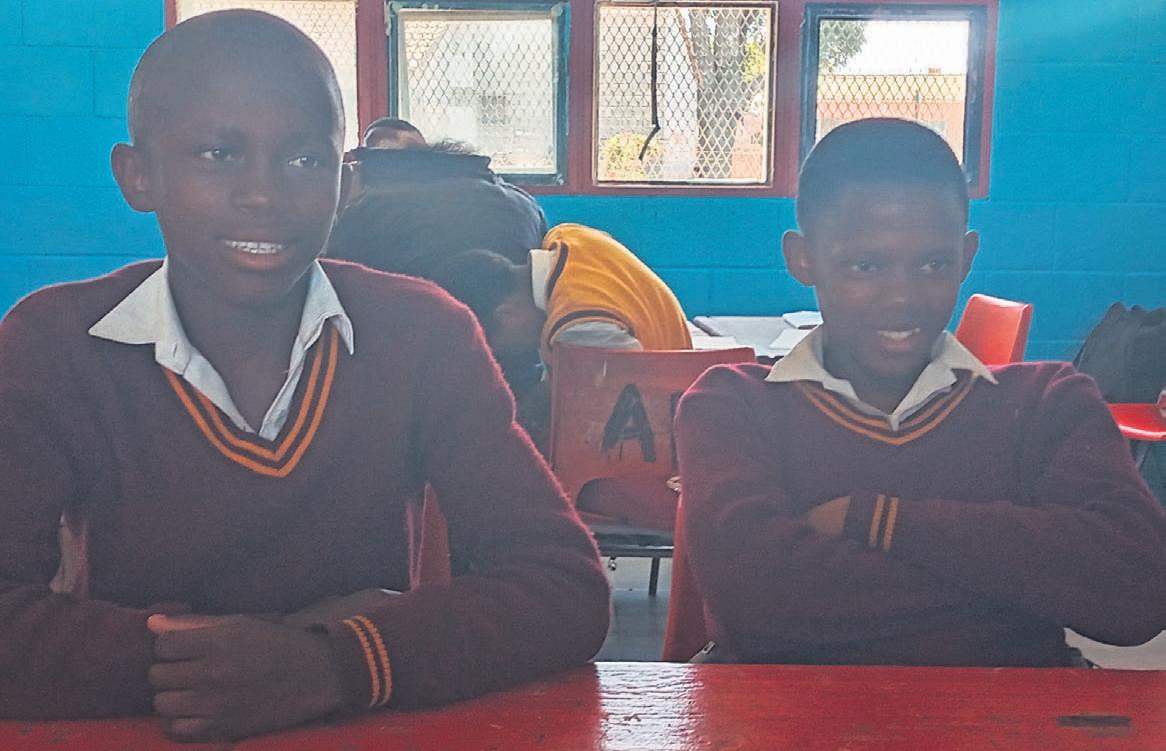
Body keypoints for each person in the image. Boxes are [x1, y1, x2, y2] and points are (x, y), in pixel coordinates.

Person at [0, 10, 609, 741]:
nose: (263, 194)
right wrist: (258, 664)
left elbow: (565, 587)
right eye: (219, 154)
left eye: (303, 160)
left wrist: (336, 665)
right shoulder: (55, 346)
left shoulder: (422, 334)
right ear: (139, 175)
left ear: (346, 186)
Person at [675, 118, 1166, 667]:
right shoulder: (732, 407)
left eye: (933, 264)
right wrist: (1020, 588)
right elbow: (758, 603)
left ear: (967, 256)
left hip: (1009, 715)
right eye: (866, 266)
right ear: (802, 258)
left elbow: (1139, 593)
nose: (902, 297)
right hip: (790, 716)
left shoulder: (1049, 404)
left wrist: (875, 519)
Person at [431, 223, 692, 371]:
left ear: (507, 315)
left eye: (497, 349)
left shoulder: (580, 327)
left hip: (658, 427)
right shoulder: (568, 237)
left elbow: (619, 401)